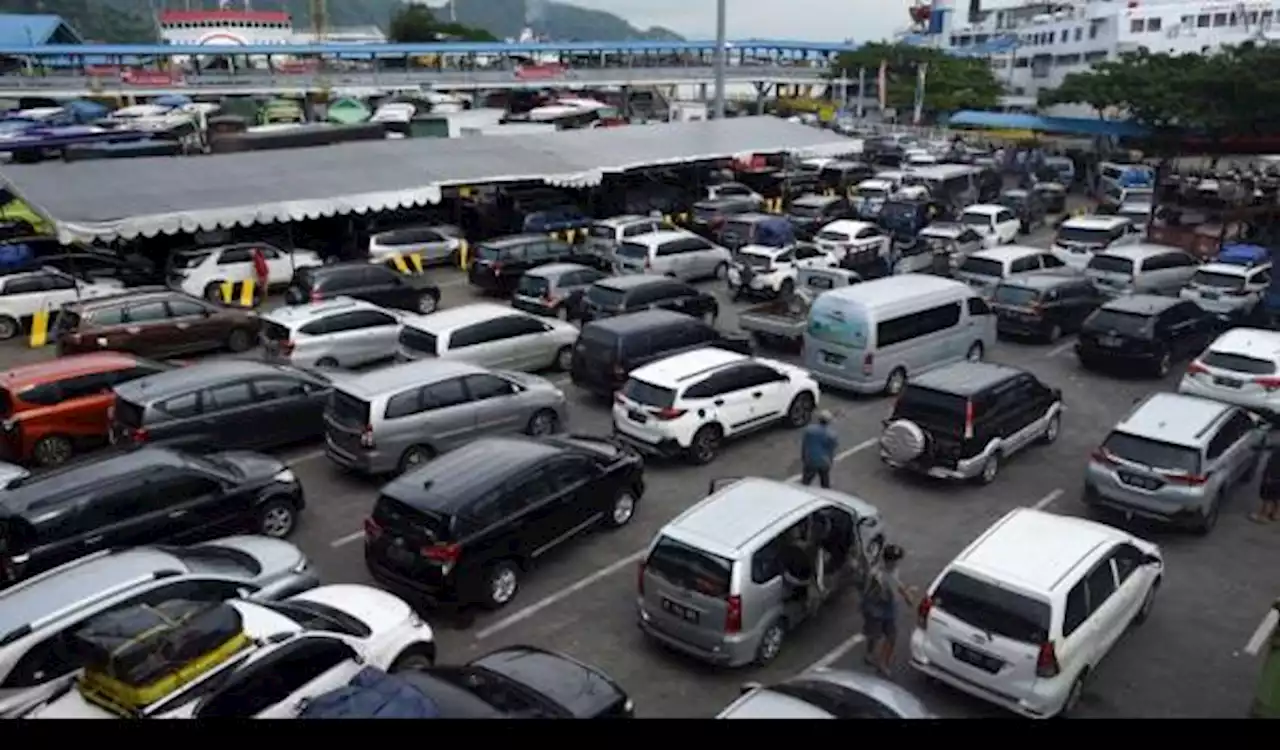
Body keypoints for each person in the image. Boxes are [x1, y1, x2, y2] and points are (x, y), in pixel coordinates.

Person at [860, 544, 916, 677]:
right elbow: (875, 593)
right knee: (874, 635)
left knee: (891, 636)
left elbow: (896, 583)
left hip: (888, 610)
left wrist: (905, 593)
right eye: (895, 560)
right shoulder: (877, 575)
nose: (897, 563)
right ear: (888, 560)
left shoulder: (893, 570)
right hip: (876, 611)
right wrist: (905, 594)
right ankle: (869, 654)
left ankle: (882, 663)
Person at [800, 410, 838, 488]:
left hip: (810, 459)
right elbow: (831, 449)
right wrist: (830, 461)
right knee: (824, 481)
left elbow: (804, 445)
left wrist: (803, 456)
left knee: (806, 481)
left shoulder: (809, 430)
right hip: (824, 461)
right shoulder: (831, 435)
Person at [1252, 429, 1280, 523]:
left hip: (1274, 474)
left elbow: (1275, 460)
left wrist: (1269, 475)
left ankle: (1263, 515)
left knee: (1267, 495)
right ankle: (1276, 513)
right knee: (1277, 494)